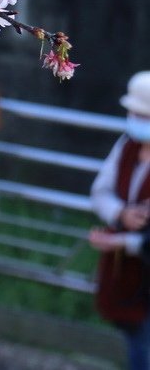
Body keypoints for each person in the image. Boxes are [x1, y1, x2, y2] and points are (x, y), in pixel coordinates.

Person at [89, 71, 150, 370]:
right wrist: (121, 214)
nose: (135, 120)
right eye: (134, 113)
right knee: (137, 342)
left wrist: (121, 240)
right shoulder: (127, 146)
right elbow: (101, 192)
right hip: (130, 273)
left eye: (143, 115)